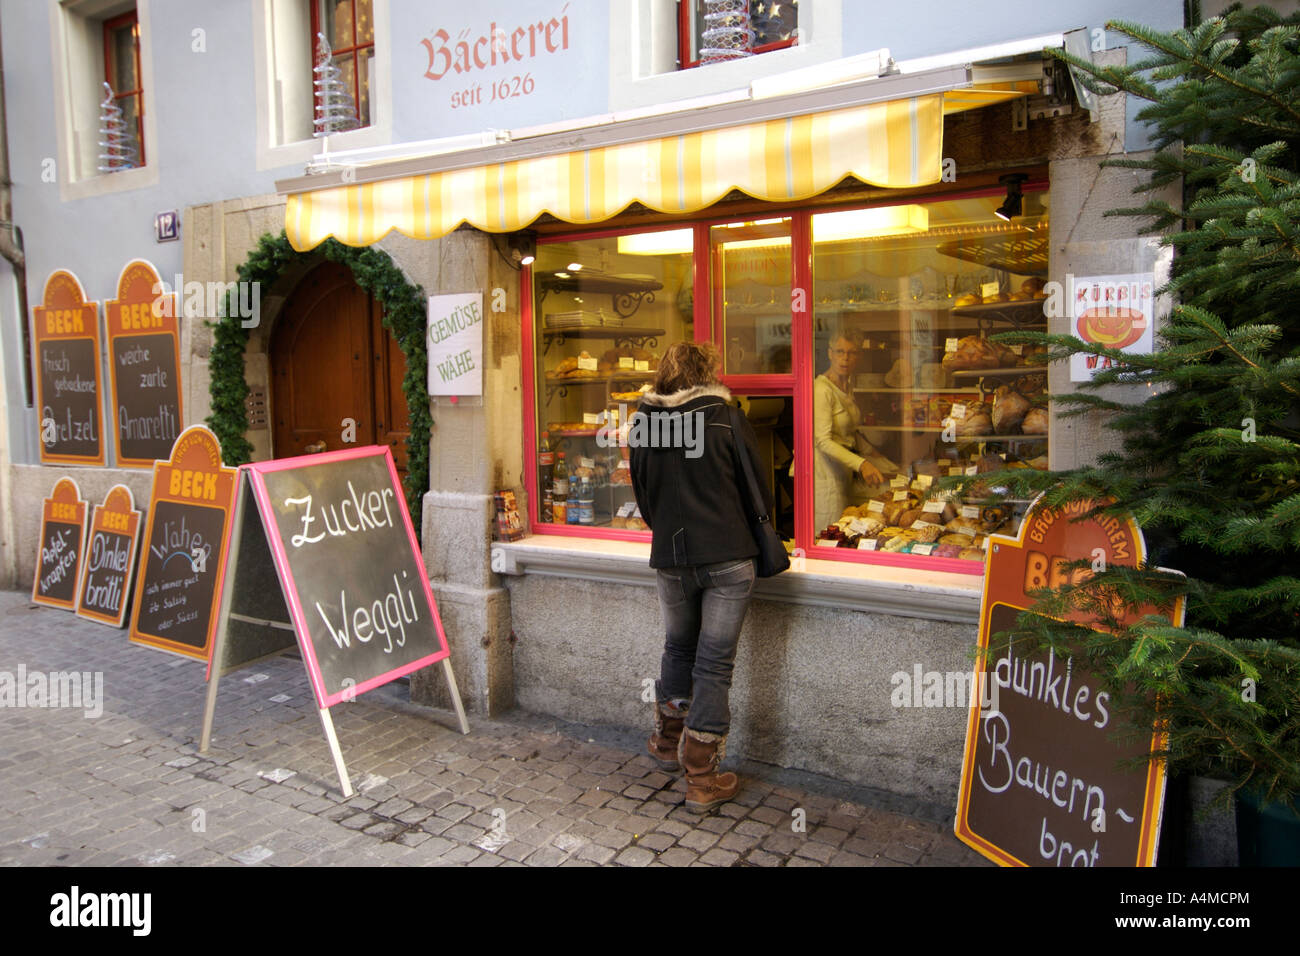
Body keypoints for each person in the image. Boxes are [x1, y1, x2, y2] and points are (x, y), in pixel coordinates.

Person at [629, 341, 770, 813]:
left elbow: (644, 497)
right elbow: (759, 485)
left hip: (669, 556)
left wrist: (670, 532)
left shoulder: (644, 424)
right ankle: (703, 777)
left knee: (677, 649)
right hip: (728, 556)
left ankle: (668, 745)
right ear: (706, 372)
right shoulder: (726, 417)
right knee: (713, 665)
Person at [814, 328, 891, 533]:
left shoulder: (846, 386)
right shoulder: (821, 389)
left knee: (847, 528)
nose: (845, 358)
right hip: (824, 476)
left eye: (851, 352)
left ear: (859, 356)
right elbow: (822, 440)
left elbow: (851, 433)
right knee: (832, 533)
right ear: (830, 353)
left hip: (842, 472)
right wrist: (862, 464)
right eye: (839, 352)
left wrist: (877, 457)